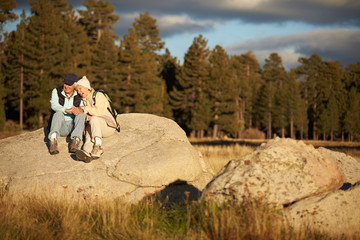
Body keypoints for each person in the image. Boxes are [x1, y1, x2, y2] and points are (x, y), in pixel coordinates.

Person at [74, 76, 117, 162]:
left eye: (80, 89)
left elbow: (100, 112)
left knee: (94, 119)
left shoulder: (98, 95)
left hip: (108, 126)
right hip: (96, 128)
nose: (79, 92)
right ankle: (86, 153)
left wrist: (86, 109)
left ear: (87, 88)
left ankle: (98, 146)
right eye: (77, 90)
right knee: (88, 132)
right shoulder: (84, 100)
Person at [48, 73, 86, 155]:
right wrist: (65, 110)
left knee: (81, 114)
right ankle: (53, 140)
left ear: (75, 85)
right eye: (65, 83)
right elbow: (53, 105)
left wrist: (79, 109)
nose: (66, 86)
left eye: (70, 84)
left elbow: (85, 108)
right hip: (60, 126)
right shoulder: (56, 91)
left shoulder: (79, 94)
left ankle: (76, 141)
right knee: (58, 113)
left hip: (74, 127)